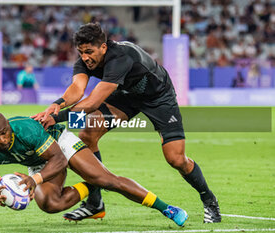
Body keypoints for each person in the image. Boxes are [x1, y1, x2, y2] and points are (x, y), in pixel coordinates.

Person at [32, 23, 221, 223]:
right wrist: (56, 104)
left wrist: (58, 117)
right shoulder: (84, 61)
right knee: (87, 134)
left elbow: (93, 102)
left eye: (89, 51)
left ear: (103, 47)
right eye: (81, 52)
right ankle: (95, 204)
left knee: (176, 159)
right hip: (125, 97)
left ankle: (209, 199)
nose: (85, 57)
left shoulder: (120, 57)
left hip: (159, 97)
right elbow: (77, 89)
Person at [0, 111, 188, 227]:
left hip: (59, 146)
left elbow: (58, 160)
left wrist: (35, 180)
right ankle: (90, 186)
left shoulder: (25, 129)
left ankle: (167, 208)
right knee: (49, 204)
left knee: (108, 180)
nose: (1, 140)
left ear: (8, 126)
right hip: (39, 161)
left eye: (4, 133)